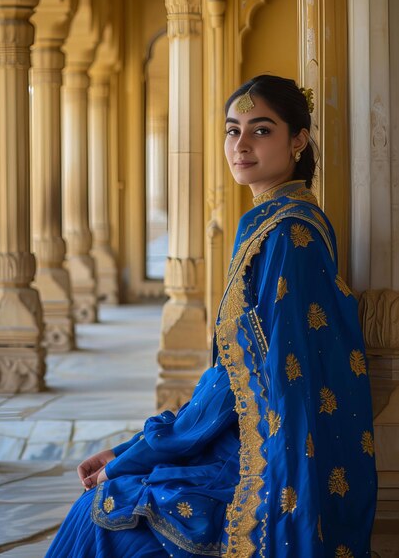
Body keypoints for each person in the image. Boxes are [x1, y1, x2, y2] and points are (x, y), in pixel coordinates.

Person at [45, 75, 377, 558]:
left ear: (298, 139)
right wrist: (137, 445)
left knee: (106, 511)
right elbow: (236, 373)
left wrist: (134, 454)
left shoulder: (286, 235)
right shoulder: (274, 220)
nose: (241, 145)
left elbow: (248, 382)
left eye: (261, 130)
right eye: (232, 130)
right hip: (246, 432)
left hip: (265, 455)